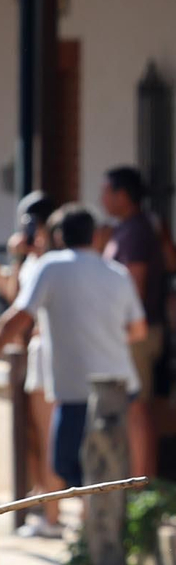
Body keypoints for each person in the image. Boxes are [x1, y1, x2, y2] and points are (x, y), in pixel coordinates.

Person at [0, 205, 147, 490]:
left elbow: (16, 319)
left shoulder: (51, 267)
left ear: (58, 237)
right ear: (95, 236)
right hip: (119, 386)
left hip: (78, 391)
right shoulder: (117, 273)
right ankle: (95, 528)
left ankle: (94, 530)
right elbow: (137, 330)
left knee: (71, 466)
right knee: (105, 470)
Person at [0, 191, 63, 536]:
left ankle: (52, 514)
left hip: (45, 352)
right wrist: (1, 261)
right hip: (28, 355)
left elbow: (22, 312)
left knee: (47, 433)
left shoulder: (53, 261)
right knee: (33, 435)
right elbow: (14, 297)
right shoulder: (32, 262)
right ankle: (44, 501)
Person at [100, 166, 168, 480]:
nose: (102, 197)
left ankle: (143, 487)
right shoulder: (127, 228)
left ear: (122, 195)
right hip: (132, 332)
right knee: (134, 408)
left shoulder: (137, 230)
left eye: (107, 190)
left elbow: (135, 287)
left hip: (137, 332)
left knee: (138, 408)